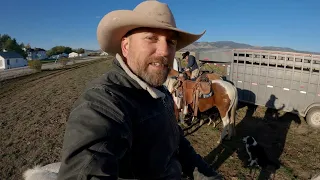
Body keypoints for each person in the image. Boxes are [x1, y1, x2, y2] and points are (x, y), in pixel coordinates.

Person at [57, 1, 222, 180]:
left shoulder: (162, 93)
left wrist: (208, 176)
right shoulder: (103, 103)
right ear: (126, 47)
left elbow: (177, 142)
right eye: (151, 38)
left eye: (171, 41)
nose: (165, 50)